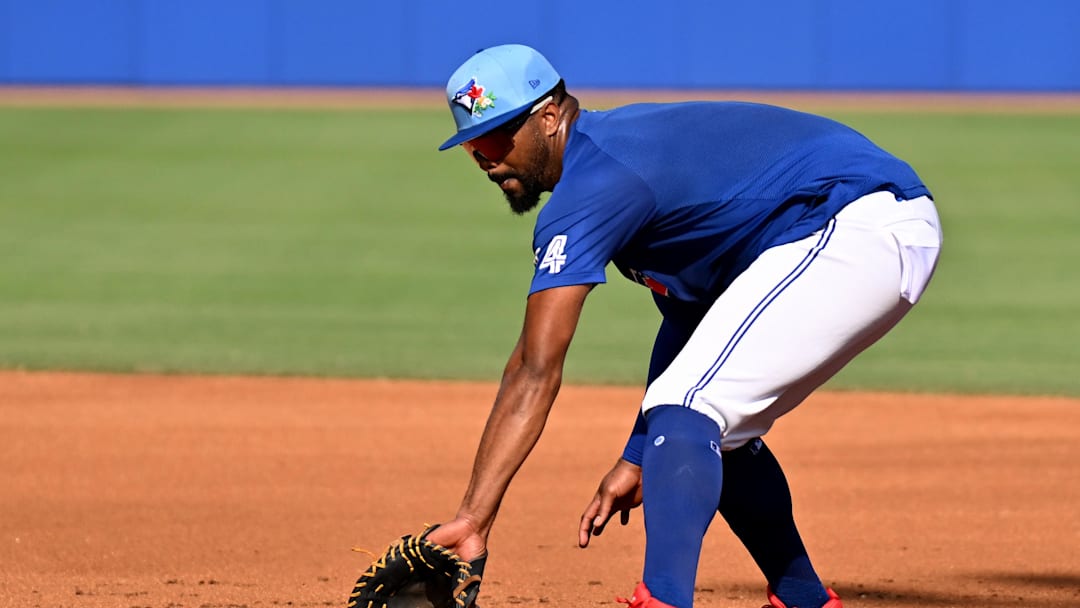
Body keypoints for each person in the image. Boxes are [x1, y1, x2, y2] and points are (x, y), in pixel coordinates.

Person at [425, 44, 942, 608]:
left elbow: (533, 367)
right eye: (473, 147)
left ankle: (664, 599)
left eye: (496, 139)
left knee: (690, 409)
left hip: (853, 221)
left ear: (549, 117)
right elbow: (690, 325)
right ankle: (803, 598)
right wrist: (639, 453)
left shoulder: (595, 185)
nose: (488, 160)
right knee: (715, 424)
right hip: (855, 226)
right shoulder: (615, 159)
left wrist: (473, 519)